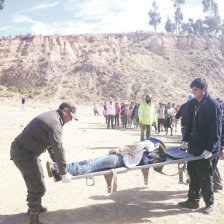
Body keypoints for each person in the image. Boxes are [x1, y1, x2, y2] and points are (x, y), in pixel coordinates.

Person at [10, 102, 78, 224]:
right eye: (71, 116)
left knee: (38, 181)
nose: (71, 120)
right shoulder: (55, 122)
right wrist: (64, 172)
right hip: (23, 154)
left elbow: (51, 145)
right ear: (65, 111)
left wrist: (56, 162)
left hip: (28, 153)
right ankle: (34, 220)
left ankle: (35, 208)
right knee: (36, 186)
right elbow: (58, 147)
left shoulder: (54, 117)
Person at [179, 78, 222, 214]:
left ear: (204, 90)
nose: (193, 92)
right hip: (194, 146)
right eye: (192, 90)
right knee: (193, 174)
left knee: (205, 176)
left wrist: (211, 149)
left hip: (207, 148)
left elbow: (216, 130)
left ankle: (209, 203)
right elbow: (189, 123)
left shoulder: (213, 105)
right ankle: (192, 201)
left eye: (196, 90)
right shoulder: (192, 104)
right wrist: (185, 140)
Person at [47, 138, 167, 181]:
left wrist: (115, 150)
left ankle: (58, 171)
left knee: (90, 165)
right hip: (122, 160)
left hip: (119, 159)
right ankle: (59, 169)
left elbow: (131, 147)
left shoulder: (148, 143)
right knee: (89, 163)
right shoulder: (152, 153)